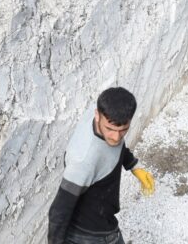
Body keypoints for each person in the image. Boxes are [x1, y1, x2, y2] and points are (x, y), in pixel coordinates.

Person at [48, 88, 155, 244]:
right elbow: (59, 211)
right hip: (93, 234)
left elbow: (117, 146)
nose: (116, 137)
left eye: (123, 130)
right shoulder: (83, 161)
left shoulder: (103, 117)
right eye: (110, 129)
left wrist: (133, 165)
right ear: (97, 114)